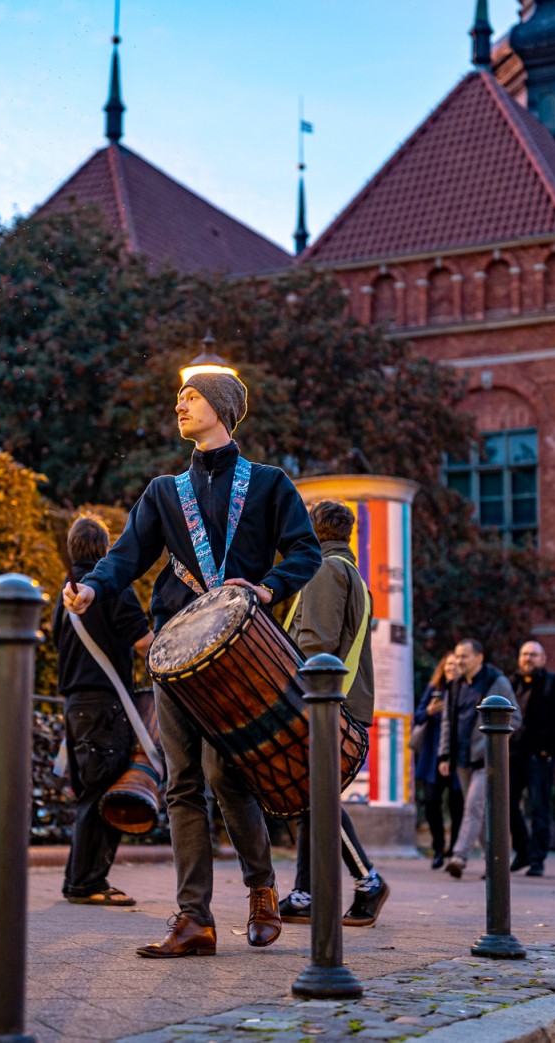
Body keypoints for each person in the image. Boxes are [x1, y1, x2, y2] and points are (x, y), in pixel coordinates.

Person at [64, 369, 321, 960]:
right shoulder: (162, 492)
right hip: (177, 654)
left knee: (230, 777)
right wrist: (92, 589)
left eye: (192, 396)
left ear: (223, 408)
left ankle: (261, 889)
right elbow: (126, 556)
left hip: (245, 650)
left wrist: (268, 588)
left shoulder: (268, 484)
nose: (180, 405)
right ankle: (194, 919)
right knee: (182, 783)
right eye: (179, 397)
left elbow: (305, 552)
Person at [278, 500, 389, 928]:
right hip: (344, 702)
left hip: (324, 703)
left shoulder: (324, 571)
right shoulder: (351, 574)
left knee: (316, 796)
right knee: (312, 796)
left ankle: (368, 882)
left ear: (313, 531)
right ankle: (306, 894)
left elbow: (315, 644)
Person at [52, 514, 154, 907]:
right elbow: (145, 643)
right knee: (103, 793)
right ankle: (86, 883)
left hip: (75, 707)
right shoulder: (111, 588)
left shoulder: (65, 596)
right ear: (106, 548)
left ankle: (80, 879)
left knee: (88, 792)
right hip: (106, 706)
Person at [436, 639, 516, 879]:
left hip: (486, 759)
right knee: (479, 813)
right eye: (458, 656)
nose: (460, 661)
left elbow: (516, 717)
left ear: (479, 658)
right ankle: (496, 861)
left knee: (473, 807)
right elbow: (448, 722)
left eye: (465, 656)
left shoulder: (496, 682)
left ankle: (459, 856)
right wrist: (445, 754)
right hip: (461, 758)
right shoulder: (455, 685)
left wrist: (494, 744)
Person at [507, 641, 555, 877]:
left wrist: (549, 748)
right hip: (514, 755)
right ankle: (523, 851)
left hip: (540, 755)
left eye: (533, 655)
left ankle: (537, 859)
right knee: (507, 804)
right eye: (524, 654)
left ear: (543, 659)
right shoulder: (511, 683)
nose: (528, 659)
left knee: (539, 807)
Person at [414, 652, 463, 870]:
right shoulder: (434, 689)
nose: (452, 668)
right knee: (432, 803)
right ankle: (438, 848)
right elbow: (418, 716)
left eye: (456, 665)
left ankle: (454, 849)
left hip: (457, 756)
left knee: (457, 805)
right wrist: (429, 710)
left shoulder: (466, 691)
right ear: (443, 667)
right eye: (448, 664)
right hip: (432, 756)